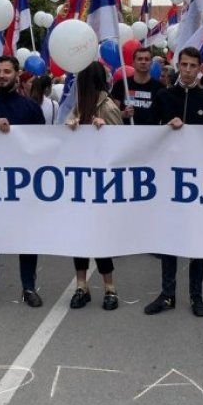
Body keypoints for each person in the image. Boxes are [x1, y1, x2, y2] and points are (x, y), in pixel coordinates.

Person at [145, 46, 203, 316]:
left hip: (198, 181)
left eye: (193, 66)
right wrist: (165, 128)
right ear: (178, 66)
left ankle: (196, 296)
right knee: (169, 238)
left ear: (200, 68)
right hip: (168, 180)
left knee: (197, 239)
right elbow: (147, 133)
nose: (188, 70)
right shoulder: (164, 96)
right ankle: (167, 295)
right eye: (184, 65)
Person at [0, 55, 45, 308]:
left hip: (24, 186)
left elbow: (44, 144)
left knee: (27, 238)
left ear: (17, 74)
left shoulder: (31, 108)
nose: (2, 76)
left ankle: (29, 288)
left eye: (7, 71)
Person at [66, 61, 124, 311]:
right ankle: (82, 286)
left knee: (100, 238)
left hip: (101, 186)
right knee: (79, 237)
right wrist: (71, 128)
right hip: (80, 184)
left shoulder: (107, 107)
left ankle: (110, 288)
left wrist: (104, 131)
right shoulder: (79, 107)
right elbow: (66, 140)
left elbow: (122, 145)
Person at [112, 46, 161, 124]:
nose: (143, 62)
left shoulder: (160, 88)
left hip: (151, 131)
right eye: (140, 59)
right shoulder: (121, 85)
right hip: (126, 130)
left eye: (147, 59)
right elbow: (112, 114)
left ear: (151, 63)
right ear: (133, 63)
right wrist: (124, 114)